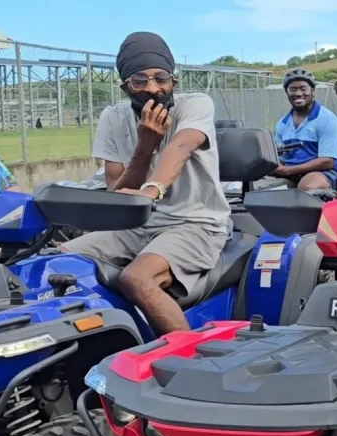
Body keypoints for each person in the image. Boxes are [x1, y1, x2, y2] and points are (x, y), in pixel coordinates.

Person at [60, 31, 230, 335]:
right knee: (58, 262)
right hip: (136, 227)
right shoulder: (112, 118)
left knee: (137, 278)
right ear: (125, 85)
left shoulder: (196, 105)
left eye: (160, 78)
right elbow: (117, 195)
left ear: (173, 81)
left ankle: (187, 366)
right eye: (140, 80)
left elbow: (181, 147)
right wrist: (145, 146)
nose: (152, 89)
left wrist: (152, 192)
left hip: (195, 223)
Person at [271, 68, 337, 191]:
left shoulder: (327, 119)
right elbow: (281, 158)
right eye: (293, 89)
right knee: (259, 187)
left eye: (303, 88)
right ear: (286, 92)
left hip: (325, 172)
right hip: (291, 172)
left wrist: (287, 171)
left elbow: (327, 161)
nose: (298, 93)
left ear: (312, 90)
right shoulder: (282, 123)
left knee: (306, 187)